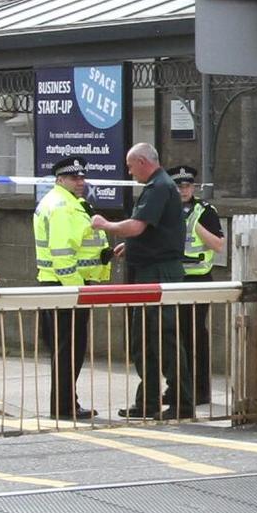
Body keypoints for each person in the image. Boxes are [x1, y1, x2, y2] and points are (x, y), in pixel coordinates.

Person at [95, 141, 187, 419]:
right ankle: (147, 401)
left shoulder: (159, 187)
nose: (129, 171)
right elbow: (151, 230)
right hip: (148, 269)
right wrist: (132, 246)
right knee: (143, 340)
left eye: (130, 165)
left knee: (165, 338)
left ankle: (182, 402)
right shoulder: (156, 186)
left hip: (159, 272)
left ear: (143, 162)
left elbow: (136, 226)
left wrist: (106, 225)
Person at [31, 156, 111, 420]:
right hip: (66, 287)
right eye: (74, 178)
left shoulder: (70, 202)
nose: (80, 181)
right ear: (60, 179)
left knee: (66, 349)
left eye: (82, 177)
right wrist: (78, 291)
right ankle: (64, 407)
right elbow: (62, 255)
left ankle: (66, 403)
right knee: (69, 350)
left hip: (61, 285)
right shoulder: (62, 207)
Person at [170, 164, 226, 420]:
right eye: (179, 186)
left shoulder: (205, 211)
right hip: (173, 279)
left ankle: (200, 390)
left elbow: (219, 245)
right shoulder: (166, 208)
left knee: (195, 336)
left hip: (198, 279)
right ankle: (177, 389)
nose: (184, 190)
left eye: (188, 185)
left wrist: (194, 226)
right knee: (174, 337)